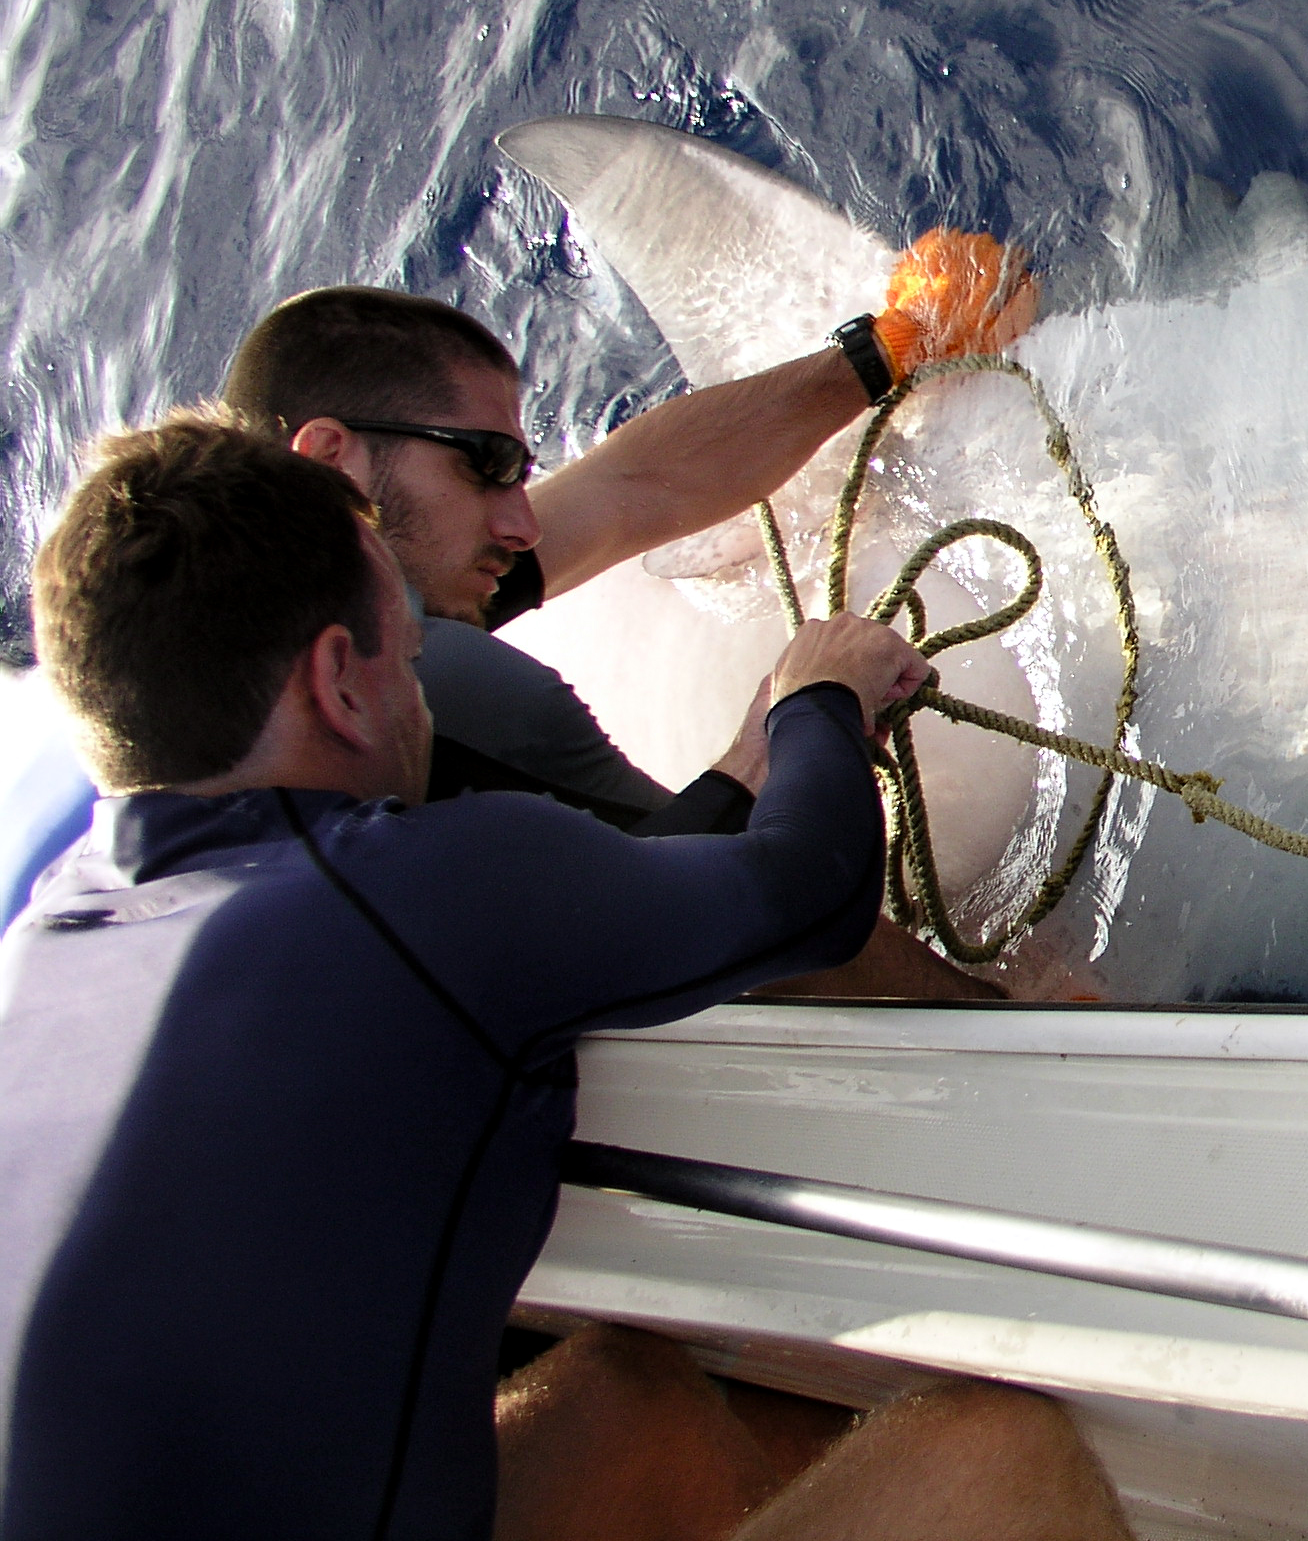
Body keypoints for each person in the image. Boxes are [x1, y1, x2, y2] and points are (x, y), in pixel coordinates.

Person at [0, 413, 1132, 1541]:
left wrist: (740, 765)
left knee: (631, 1403)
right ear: (340, 681)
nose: (425, 697)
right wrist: (818, 700)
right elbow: (812, 891)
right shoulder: (412, 889)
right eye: (406, 647)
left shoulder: (36, 953)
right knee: (997, 1456)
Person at [3, 228, 1032, 999]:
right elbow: (739, 914)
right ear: (331, 462)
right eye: (485, 465)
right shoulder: (425, 682)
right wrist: (1016, 1018)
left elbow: (637, 486)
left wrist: (882, 350)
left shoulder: (242, 621)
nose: (516, 515)